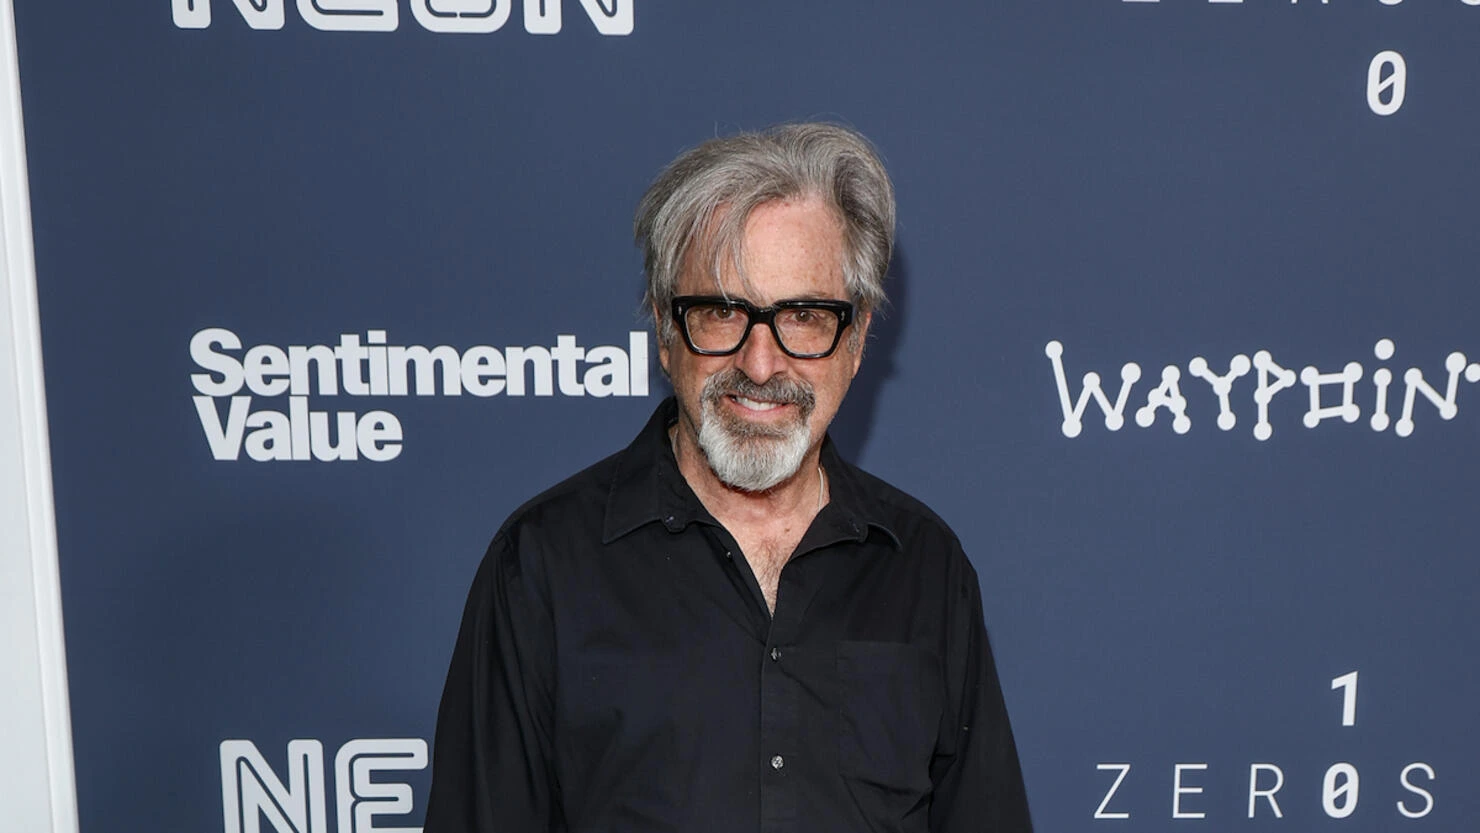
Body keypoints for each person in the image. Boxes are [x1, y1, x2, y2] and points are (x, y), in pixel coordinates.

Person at [425, 122, 1032, 832]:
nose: (761, 363)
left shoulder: (927, 567)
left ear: (859, 337)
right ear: (664, 328)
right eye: (720, 312)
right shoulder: (540, 567)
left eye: (804, 315)